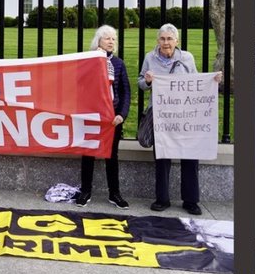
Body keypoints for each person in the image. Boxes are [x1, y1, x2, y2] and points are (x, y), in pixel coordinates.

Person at [139, 23, 220, 215]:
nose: (166, 43)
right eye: (162, 39)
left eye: (169, 39)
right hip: (162, 116)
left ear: (177, 41)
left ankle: (190, 200)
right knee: (163, 157)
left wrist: (213, 80)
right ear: (158, 40)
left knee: (190, 157)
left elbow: (195, 82)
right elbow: (141, 83)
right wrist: (148, 80)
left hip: (186, 115)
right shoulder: (150, 58)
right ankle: (162, 199)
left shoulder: (187, 58)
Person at [74, 25, 130, 209]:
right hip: (92, 116)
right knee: (88, 153)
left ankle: (114, 193)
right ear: (98, 42)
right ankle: (86, 190)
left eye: (113, 39)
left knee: (111, 156)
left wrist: (121, 114)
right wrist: (96, 61)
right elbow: (80, 84)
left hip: (112, 119)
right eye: (107, 38)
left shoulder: (119, 64)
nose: (111, 41)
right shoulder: (88, 61)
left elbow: (125, 91)